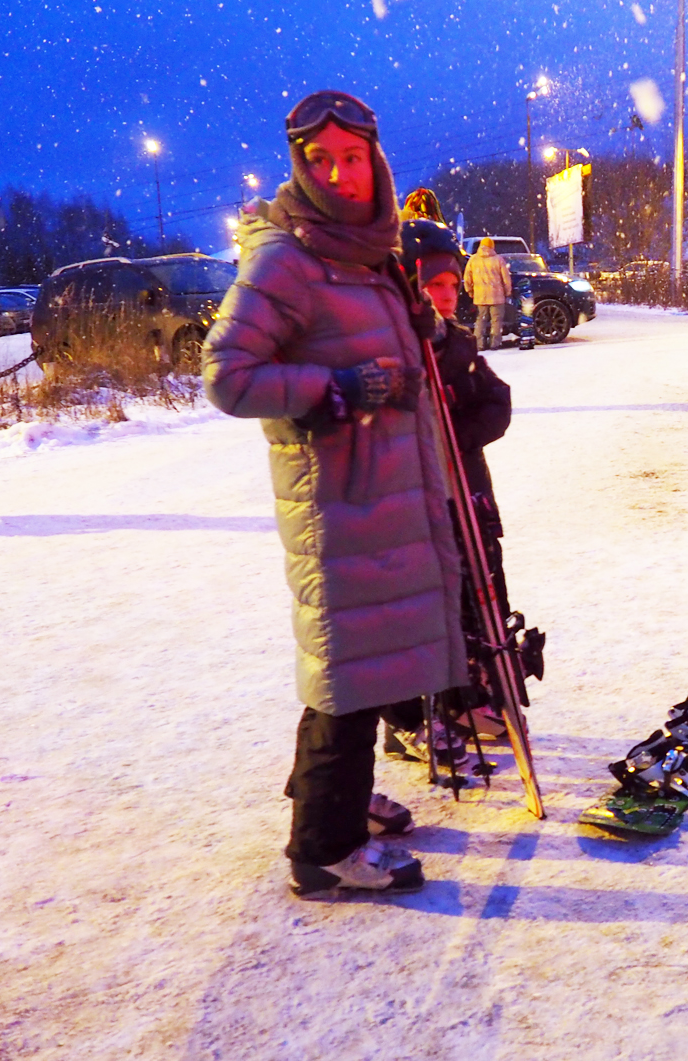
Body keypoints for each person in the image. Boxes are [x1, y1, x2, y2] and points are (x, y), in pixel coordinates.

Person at [202, 90, 468, 898]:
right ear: (299, 167)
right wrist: (338, 388)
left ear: (376, 161)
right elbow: (227, 376)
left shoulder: (367, 247)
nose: (340, 174)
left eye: (353, 158)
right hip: (342, 497)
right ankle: (323, 847)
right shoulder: (289, 256)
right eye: (321, 161)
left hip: (384, 492)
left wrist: (421, 328)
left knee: (358, 662)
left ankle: (332, 797)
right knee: (350, 669)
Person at [395, 217, 514, 745]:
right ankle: (417, 716)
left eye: (450, 285)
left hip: (465, 490)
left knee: (479, 591)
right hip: (414, 504)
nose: (446, 296)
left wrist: (459, 433)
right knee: (426, 608)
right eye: (433, 287)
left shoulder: (459, 344)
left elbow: (498, 400)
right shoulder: (395, 349)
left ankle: (477, 693)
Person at [463, 236, 512, 351]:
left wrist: (469, 290)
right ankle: (494, 343)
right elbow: (506, 278)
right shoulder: (498, 260)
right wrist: (507, 291)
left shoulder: (473, 259)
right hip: (497, 296)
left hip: (480, 296)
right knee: (496, 320)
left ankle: (479, 344)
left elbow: (467, 278)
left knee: (481, 319)